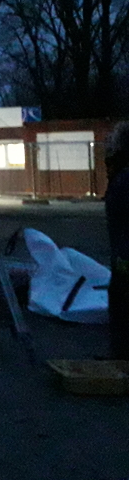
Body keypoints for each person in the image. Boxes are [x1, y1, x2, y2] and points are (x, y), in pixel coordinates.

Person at [104, 122, 129, 360]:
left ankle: (121, 359)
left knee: (122, 306)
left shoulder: (124, 178)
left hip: (124, 257)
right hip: (122, 255)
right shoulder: (120, 174)